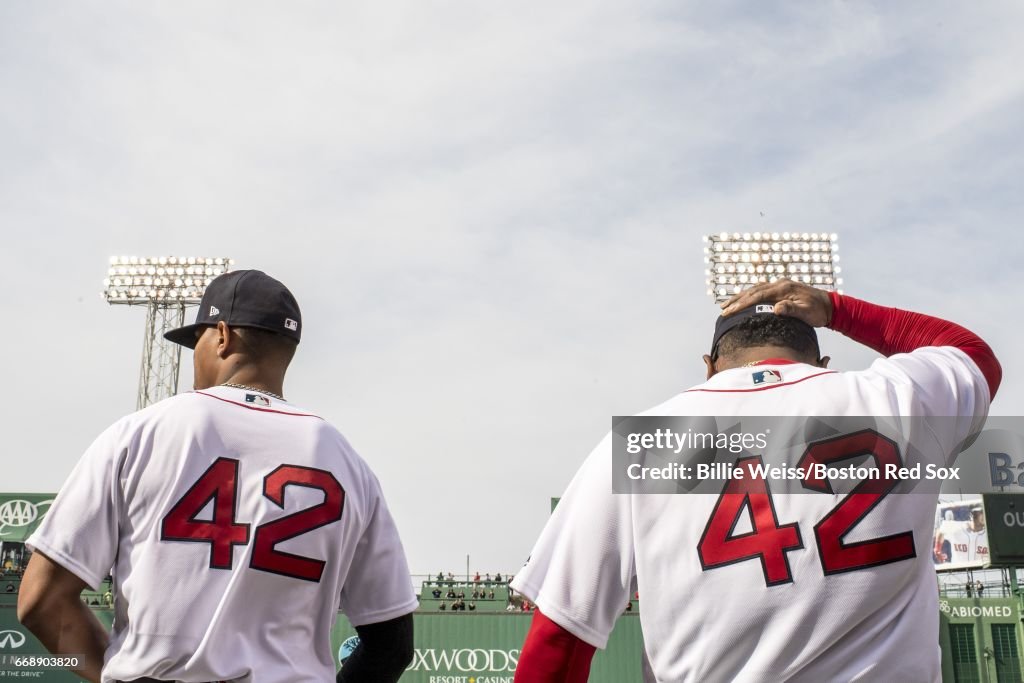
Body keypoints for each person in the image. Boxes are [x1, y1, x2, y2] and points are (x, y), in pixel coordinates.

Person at [511, 279, 1000, 682]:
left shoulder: (644, 442)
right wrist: (836, 308)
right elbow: (972, 354)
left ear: (708, 367)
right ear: (822, 363)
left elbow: (560, 641)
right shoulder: (896, 399)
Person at [17, 270, 417, 683]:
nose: (196, 356)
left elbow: (41, 600)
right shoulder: (347, 461)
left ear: (222, 335)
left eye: (198, 341)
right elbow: (392, 646)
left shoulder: (140, 433)